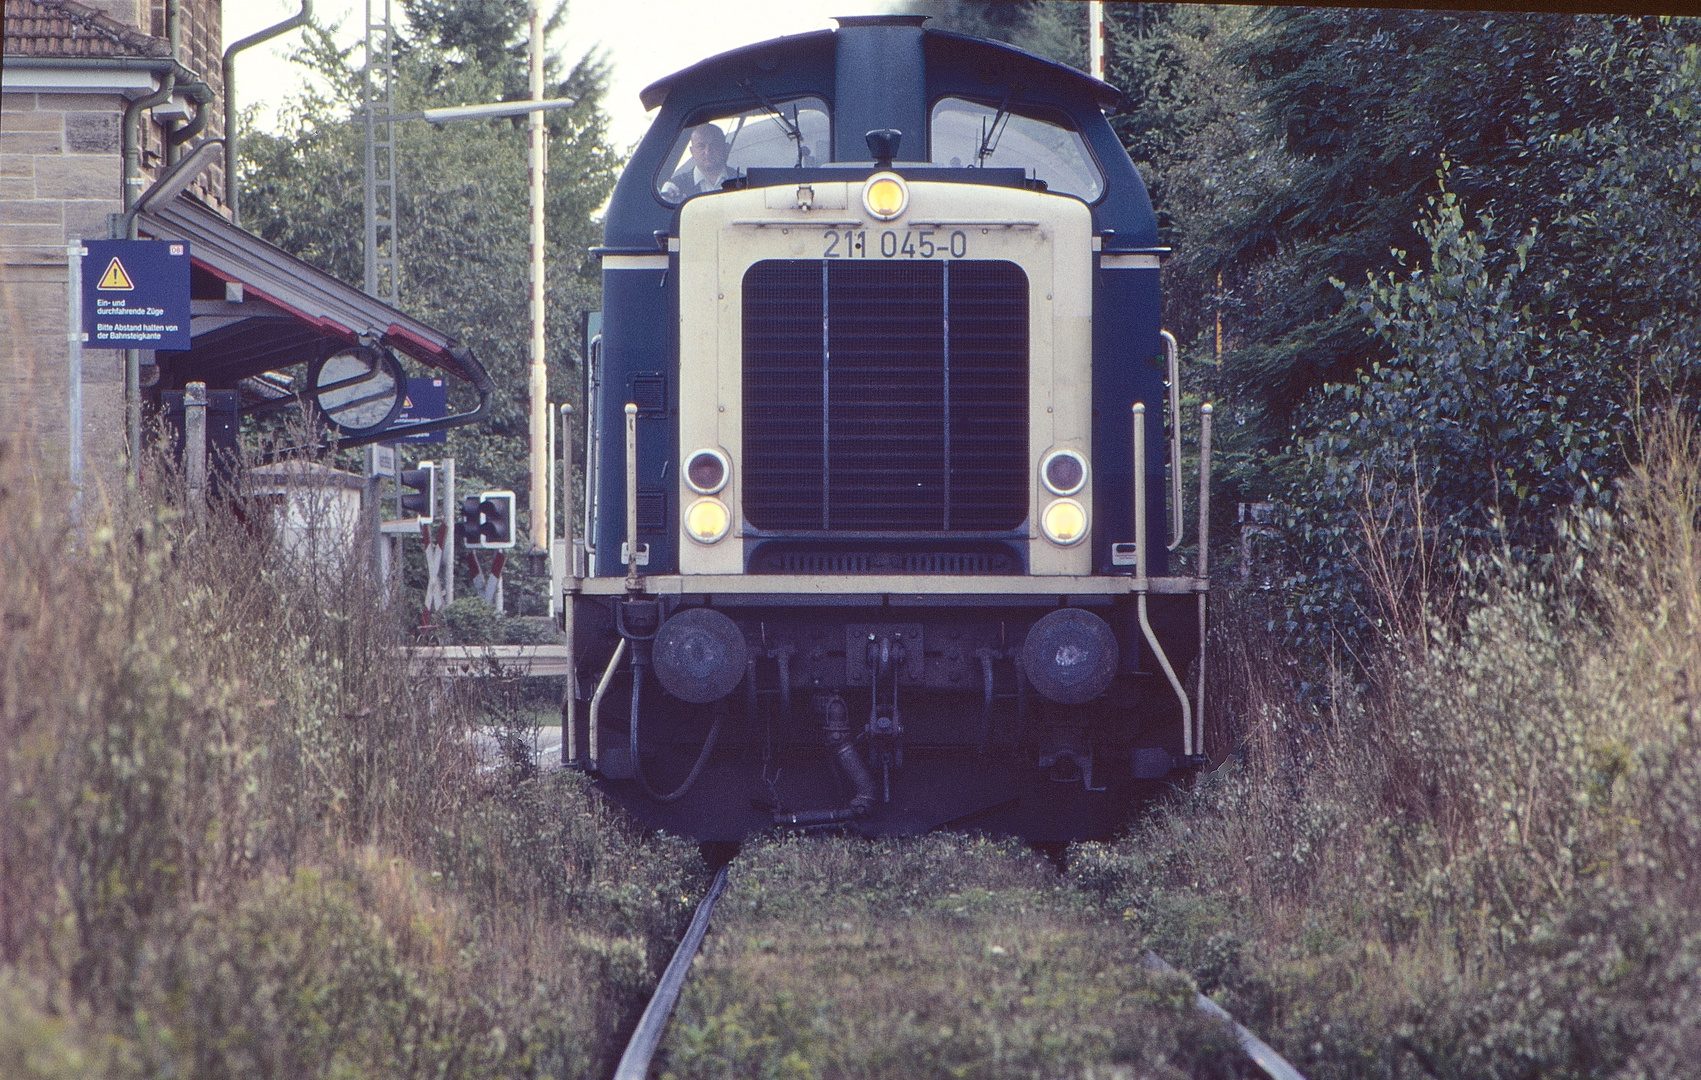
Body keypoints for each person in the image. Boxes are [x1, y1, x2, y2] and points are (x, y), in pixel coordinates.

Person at [661, 124, 730, 200]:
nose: (707, 151)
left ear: (726, 148)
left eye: (714, 145)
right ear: (692, 151)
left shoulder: (742, 181)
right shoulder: (675, 187)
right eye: (701, 146)